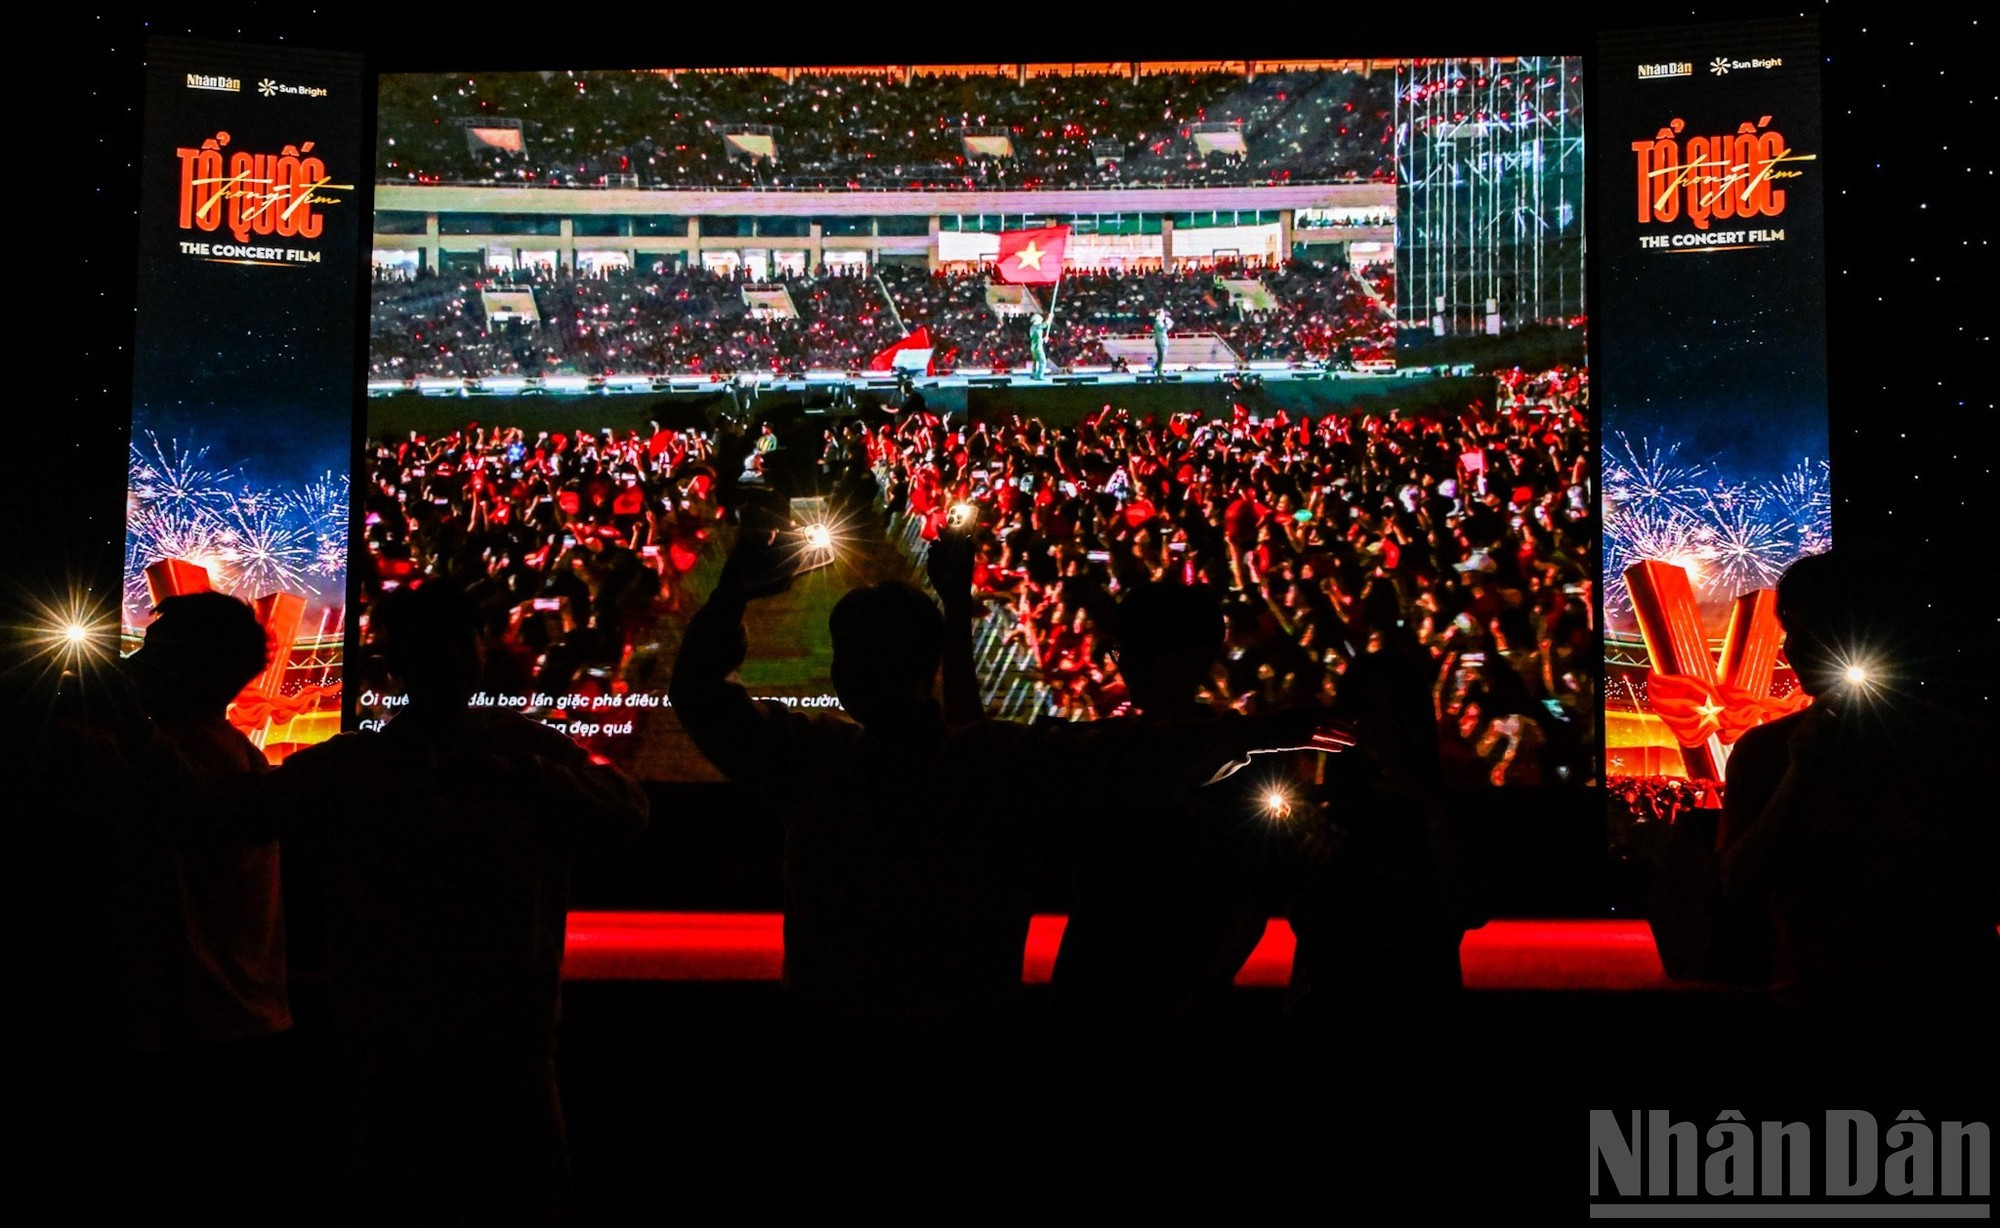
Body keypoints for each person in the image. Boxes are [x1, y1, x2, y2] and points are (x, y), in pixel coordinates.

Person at [668, 525, 1350, 1203]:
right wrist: (1261, 731)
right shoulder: (996, 764)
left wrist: (734, 595)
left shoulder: (812, 759)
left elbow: (699, 694)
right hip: (962, 1060)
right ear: (927, 665)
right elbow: (1131, 756)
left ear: (845, 674)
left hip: (836, 1053)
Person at [265, 583, 649, 1224]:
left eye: (455, 642)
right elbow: (629, 811)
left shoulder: (369, 762)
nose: (447, 659)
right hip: (459, 1037)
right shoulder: (372, 763)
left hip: (439, 1036)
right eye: (433, 646)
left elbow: (629, 811)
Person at [21, 591, 293, 1212]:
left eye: (157, 650)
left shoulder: (187, 761)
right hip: (234, 1029)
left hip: (177, 1035)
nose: (138, 664)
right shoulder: (241, 759)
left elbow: (182, 802)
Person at [1719, 549, 1998, 1093]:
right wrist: (1800, 776)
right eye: (1788, 629)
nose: (1790, 648)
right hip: (1812, 1015)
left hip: (1941, 1020)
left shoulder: (1959, 745)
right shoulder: (1765, 752)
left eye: (1809, 629)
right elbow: (1736, 886)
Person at [1152, 306, 1174, 376]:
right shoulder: (1158, 323)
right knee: (1161, 357)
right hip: (1160, 341)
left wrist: (1169, 324)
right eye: (1162, 314)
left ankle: (1156, 368)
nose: (1164, 315)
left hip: (1163, 341)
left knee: (1163, 357)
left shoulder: (1160, 322)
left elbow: (1165, 329)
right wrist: (1168, 324)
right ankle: (1159, 370)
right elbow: (1163, 329)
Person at [1028, 310, 1049, 380]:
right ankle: (1040, 375)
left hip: (1034, 347)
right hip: (1037, 347)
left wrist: (1044, 339)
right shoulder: (1036, 326)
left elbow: (1037, 338)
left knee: (1036, 361)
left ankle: (1033, 374)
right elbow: (1045, 324)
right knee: (1042, 361)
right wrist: (1050, 318)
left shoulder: (1033, 328)